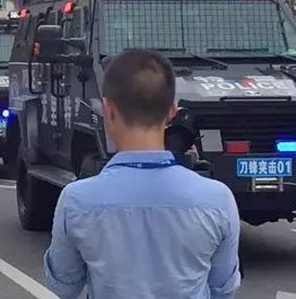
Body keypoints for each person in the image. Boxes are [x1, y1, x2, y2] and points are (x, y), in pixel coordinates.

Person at [43, 50, 241, 299]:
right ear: (172, 111)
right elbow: (222, 289)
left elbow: (64, 285)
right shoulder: (218, 199)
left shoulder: (76, 200)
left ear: (108, 110)